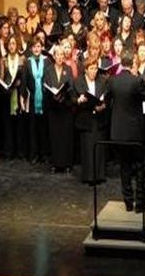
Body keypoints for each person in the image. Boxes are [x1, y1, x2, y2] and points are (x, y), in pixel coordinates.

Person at [105, 51, 145, 213]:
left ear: (120, 63)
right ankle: (140, 204)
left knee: (124, 167)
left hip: (118, 133)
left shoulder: (113, 81)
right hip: (135, 133)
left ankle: (128, 202)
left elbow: (106, 100)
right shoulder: (137, 81)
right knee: (141, 167)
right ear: (133, 63)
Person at [74, 59, 109, 184]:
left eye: (95, 68)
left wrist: (103, 105)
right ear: (86, 69)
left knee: (99, 147)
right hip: (86, 118)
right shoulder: (79, 81)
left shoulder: (103, 81)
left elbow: (107, 97)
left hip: (99, 118)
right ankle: (88, 176)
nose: (94, 71)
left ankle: (100, 175)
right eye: (91, 69)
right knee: (87, 147)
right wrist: (79, 100)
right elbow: (74, 98)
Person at [44, 45, 75, 173]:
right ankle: (55, 164)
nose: (60, 57)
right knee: (54, 135)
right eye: (58, 54)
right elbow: (45, 86)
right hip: (53, 108)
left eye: (62, 54)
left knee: (65, 136)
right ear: (54, 56)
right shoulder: (48, 69)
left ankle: (67, 164)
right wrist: (53, 94)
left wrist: (63, 95)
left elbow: (71, 88)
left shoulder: (68, 69)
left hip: (65, 107)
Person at [20, 37, 51, 164]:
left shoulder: (48, 61)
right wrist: (23, 97)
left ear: (42, 47)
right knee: (32, 128)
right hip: (32, 99)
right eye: (34, 47)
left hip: (45, 100)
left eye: (39, 46)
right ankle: (34, 155)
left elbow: (49, 79)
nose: (37, 49)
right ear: (31, 49)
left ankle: (44, 154)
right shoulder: (27, 63)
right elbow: (24, 82)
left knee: (44, 128)